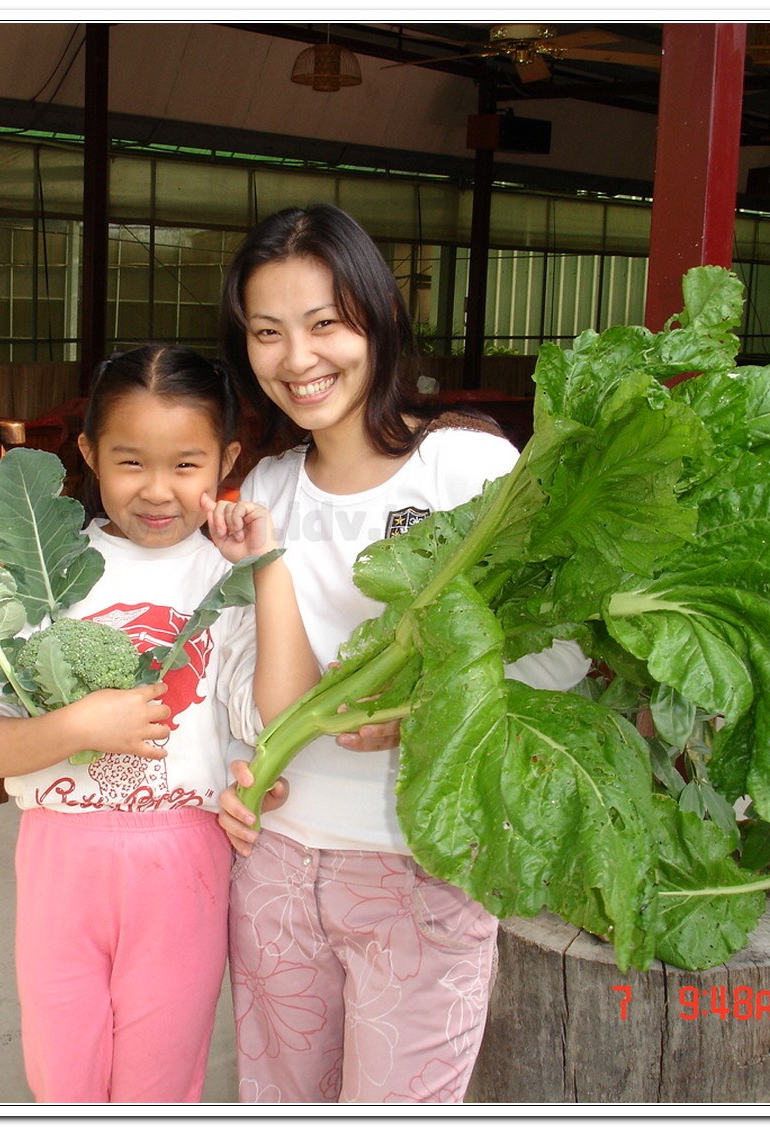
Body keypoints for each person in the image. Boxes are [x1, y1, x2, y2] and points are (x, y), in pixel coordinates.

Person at [214, 204, 590, 1104]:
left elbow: (559, 652)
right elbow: (231, 668)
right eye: (267, 333)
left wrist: (420, 713)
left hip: (417, 868)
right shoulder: (263, 487)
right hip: (273, 862)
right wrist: (234, 771)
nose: (297, 359)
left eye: (324, 324)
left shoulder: (460, 469)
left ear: (376, 321)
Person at [0, 344, 310, 1103]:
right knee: (62, 1071)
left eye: (186, 464)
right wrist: (77, 724)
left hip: (186, 866)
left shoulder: (225, 577)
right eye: (131, 462)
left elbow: (269, 712)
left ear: (227, 460)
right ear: (87, 453)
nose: (158, 491)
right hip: (58, 865)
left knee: (160, 1082)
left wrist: (264, 567)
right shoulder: (35, 574)